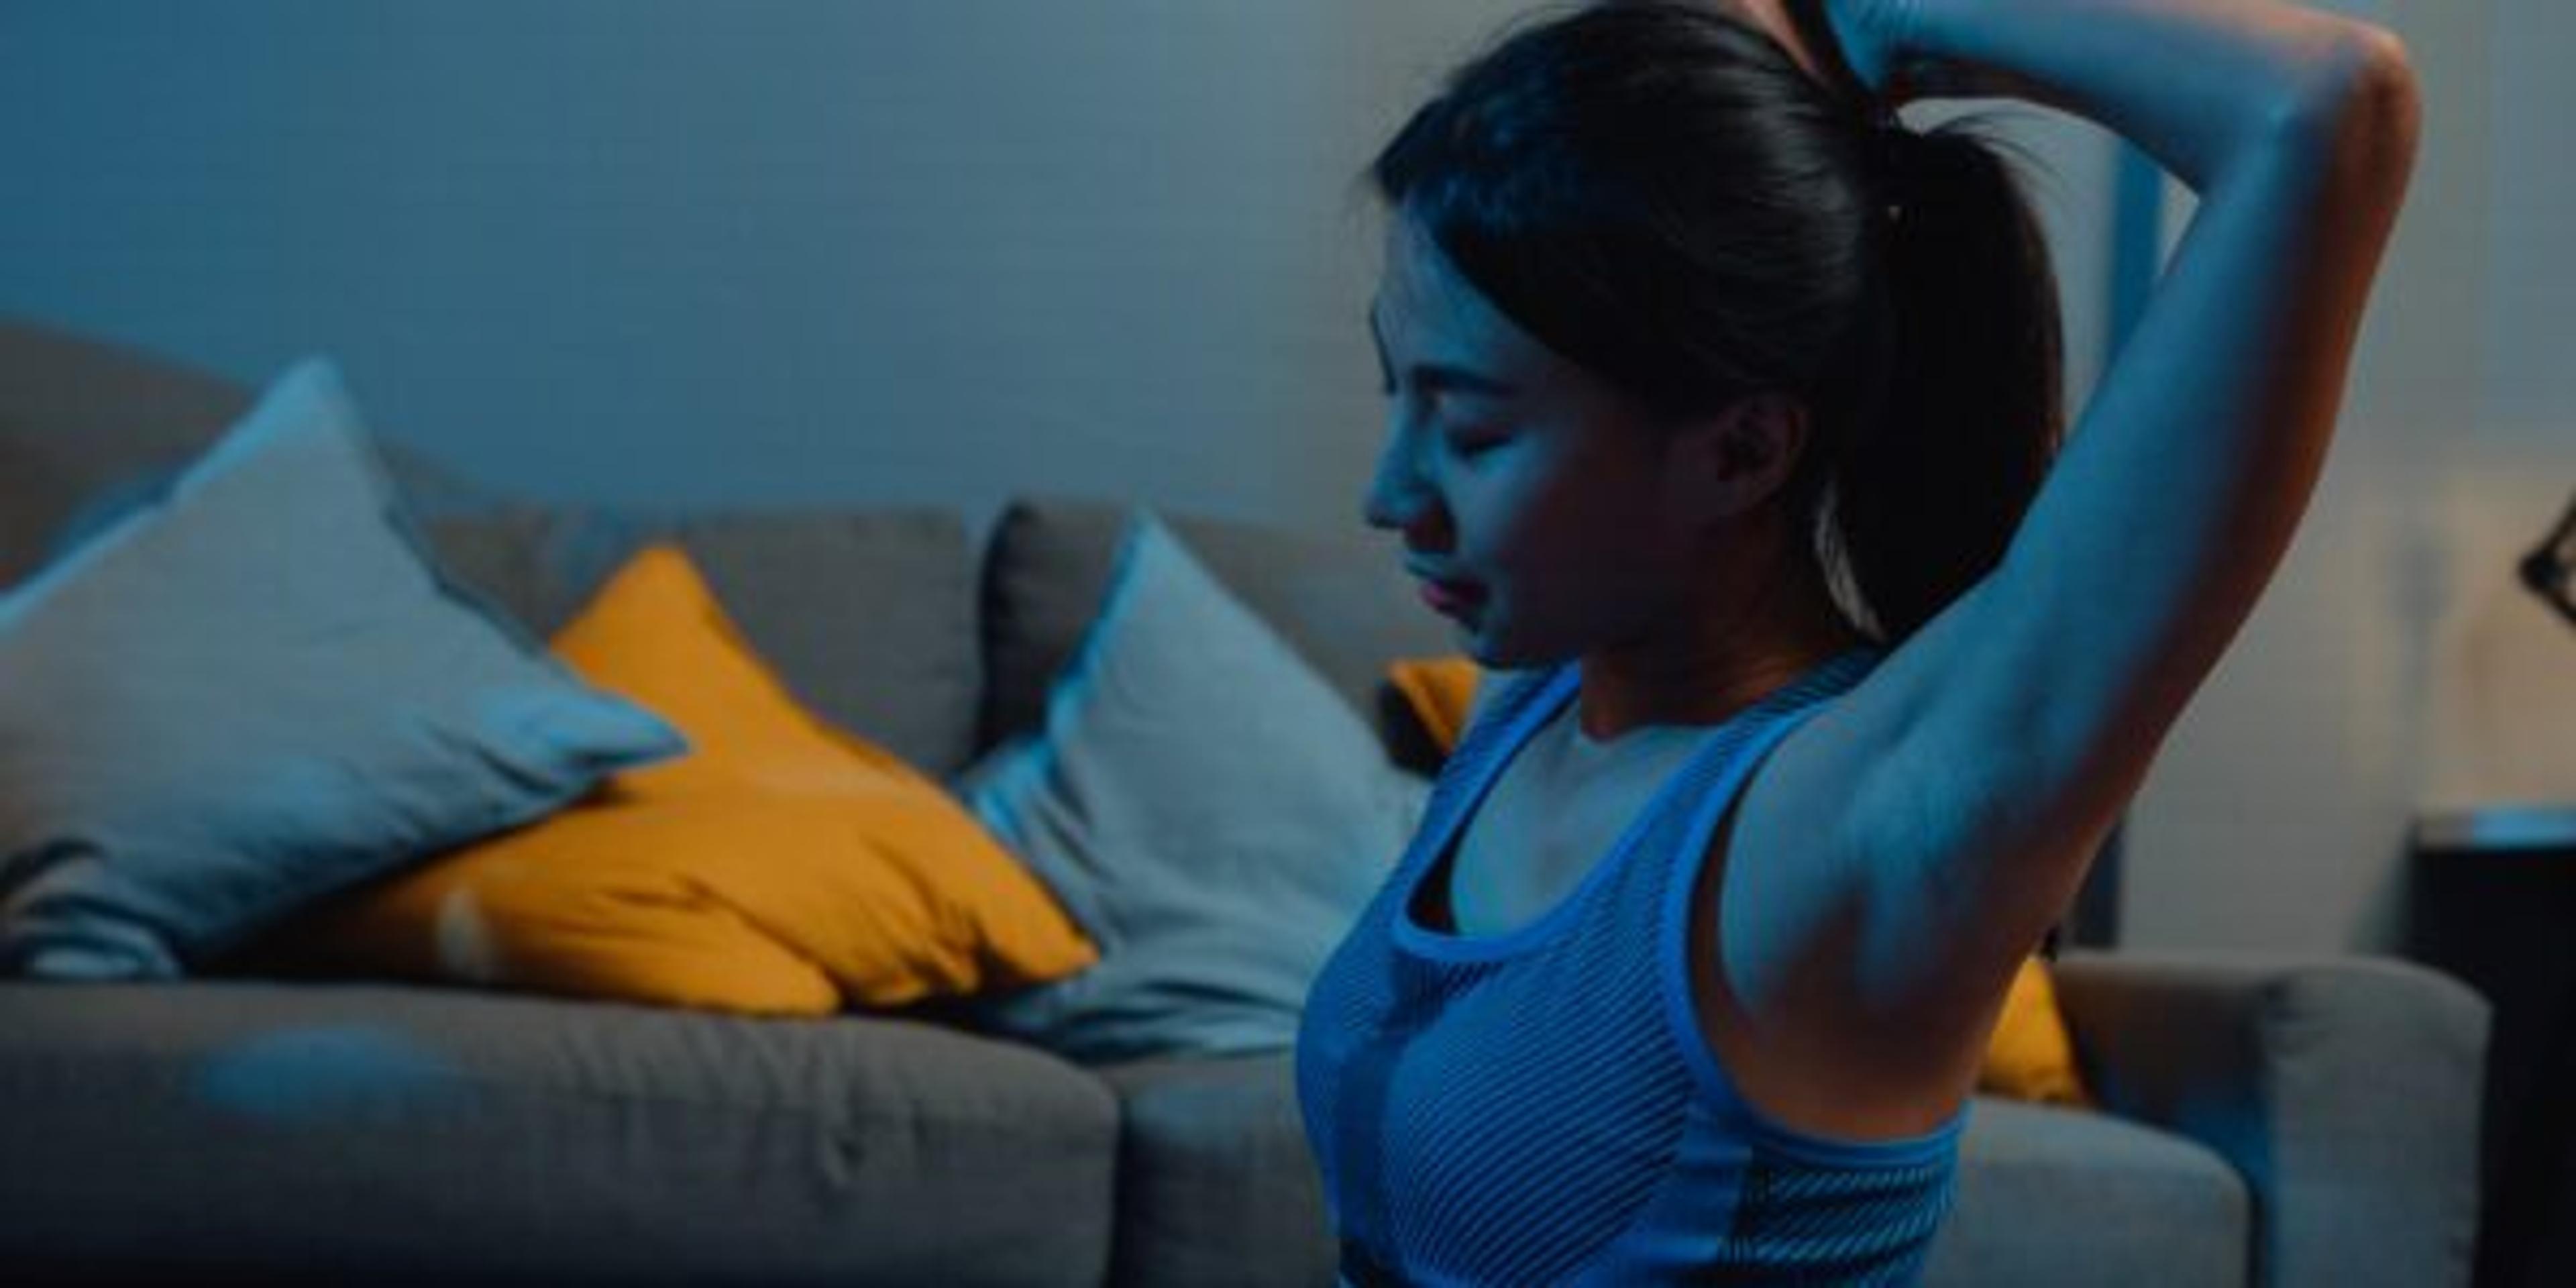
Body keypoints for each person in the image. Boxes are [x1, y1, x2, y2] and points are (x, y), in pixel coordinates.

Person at [1294, 0, 2421, 1283]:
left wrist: (1887, 21)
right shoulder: (1549, 704)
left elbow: (2329, 107)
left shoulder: (1879, 818)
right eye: (1404, 394)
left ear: (1740, 449)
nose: (1392, 494)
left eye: (1476, 432)